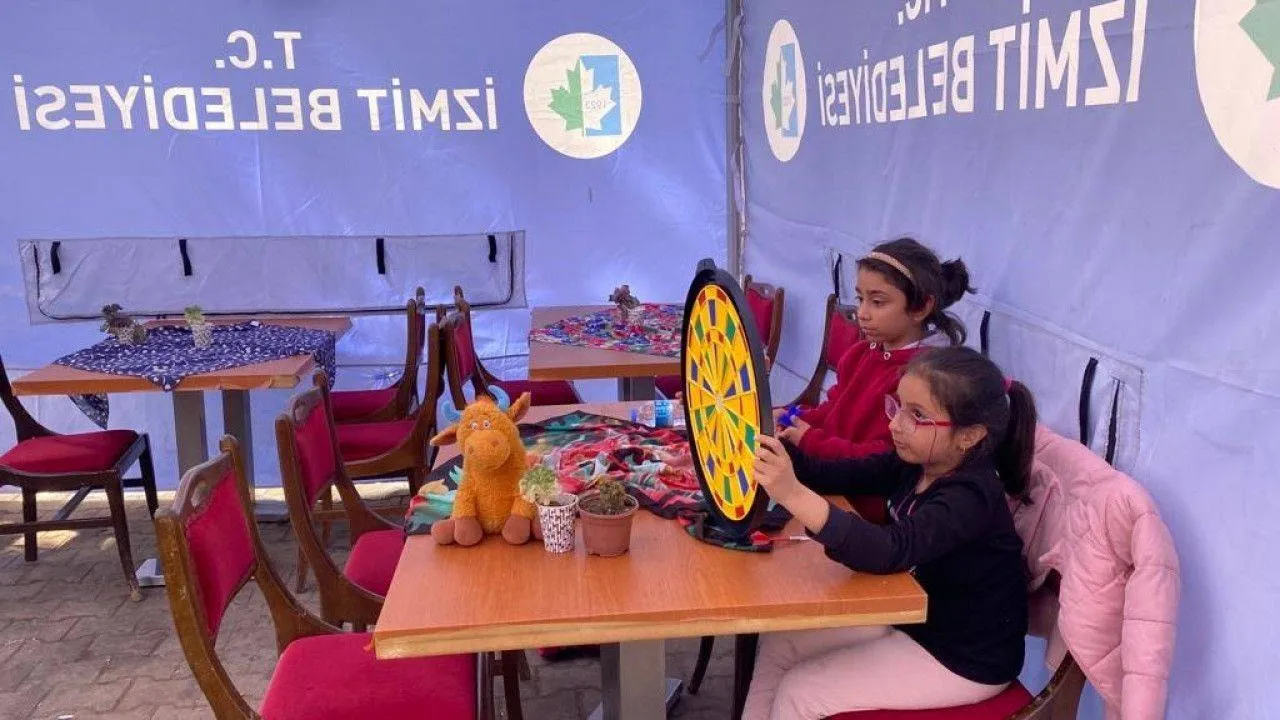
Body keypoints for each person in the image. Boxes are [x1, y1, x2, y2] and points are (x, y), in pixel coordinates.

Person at [744, 346, 1034, 719]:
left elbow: (887, 550)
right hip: (914, 620)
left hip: (963, 656)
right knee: (780, 642)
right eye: (897, 406)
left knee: (801, 692)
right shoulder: (915, 463)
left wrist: (792, 494)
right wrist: (772, 445)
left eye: (917, 415)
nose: (896, 424)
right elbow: (833, 475)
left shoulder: (971, 497)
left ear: (969, 436)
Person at [778, 237, 972, 462]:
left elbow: (885, 458)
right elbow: (833, 410)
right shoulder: (859, 354)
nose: (862, 313)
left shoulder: (922, 377)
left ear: (921, 307)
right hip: (826, 466)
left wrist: (810, 440)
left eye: (877, 302)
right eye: (860, 299)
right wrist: (791, 418)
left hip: (853, 482)